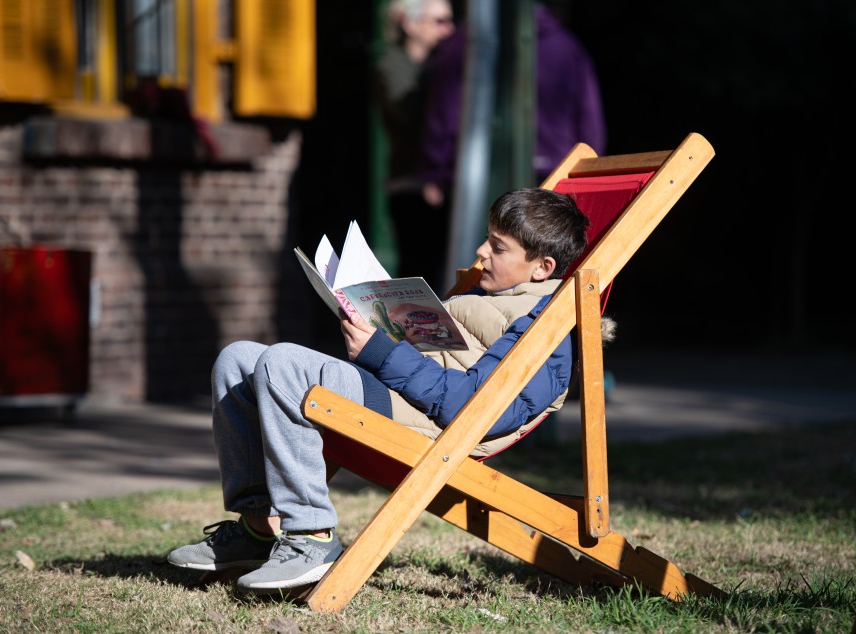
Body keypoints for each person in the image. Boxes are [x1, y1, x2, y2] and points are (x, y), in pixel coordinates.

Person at [166, 187, 592, 595]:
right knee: (237, 359)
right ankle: (258, 527)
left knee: (283, 364)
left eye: (498, 247)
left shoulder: (546, 328)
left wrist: (382, 353)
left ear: (543, 268)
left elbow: (479, 408)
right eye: (488, 239)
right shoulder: (495, 294)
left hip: (433, 423)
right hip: (403, 394)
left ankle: (311, 535)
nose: (482, 251)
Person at [420, 2, 607, 204]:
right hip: (557, 171)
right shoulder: (568, 48)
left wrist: (435, 170)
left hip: (481, 175)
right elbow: (589, 119)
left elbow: (445, 110)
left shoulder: (466, 43)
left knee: (488, 233)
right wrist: (588, 168)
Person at [373, 0, 455, 293]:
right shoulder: (392, 63)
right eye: (439, 21)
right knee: (418, 270)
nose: (449, 29)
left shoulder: (443, 61)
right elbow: (407, 110)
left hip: (443, 179)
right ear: (410, 24)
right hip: (409, 184)